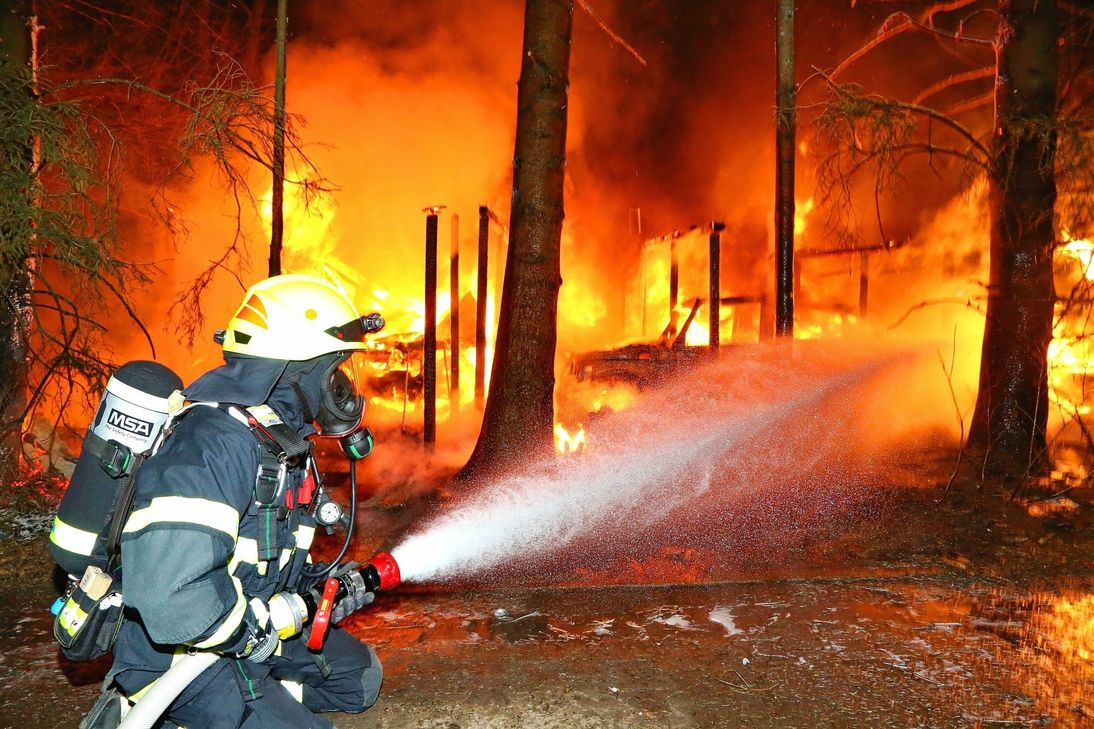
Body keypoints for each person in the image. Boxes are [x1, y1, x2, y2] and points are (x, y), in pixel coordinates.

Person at [107, 274, 383, 728]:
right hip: (185, 652)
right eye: (336, 371)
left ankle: (268, 700)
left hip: (254, 623)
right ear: (299, 370)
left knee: (360, 681)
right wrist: (248, 634)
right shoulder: (210, 443)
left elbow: (264, 549)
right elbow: (168, 594)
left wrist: (325, 591)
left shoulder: (279, 438)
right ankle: (168, 715)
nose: (343, 390)